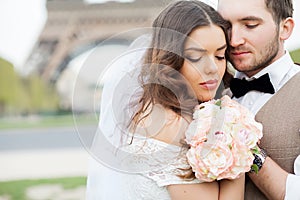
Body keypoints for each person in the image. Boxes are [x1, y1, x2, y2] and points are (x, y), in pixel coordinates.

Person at [86, 1, 245, 199]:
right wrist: (238, 150)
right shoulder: (171, 124)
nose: (212, 68)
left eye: (220, 56)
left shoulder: (149, 108)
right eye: (196, 57)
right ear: (169, 59)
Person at [217, 0, 300, 199]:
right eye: (226, 26)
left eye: (250, 25)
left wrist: (246, 150)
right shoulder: (209, 94)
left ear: (285, 28)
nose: (234, 40)